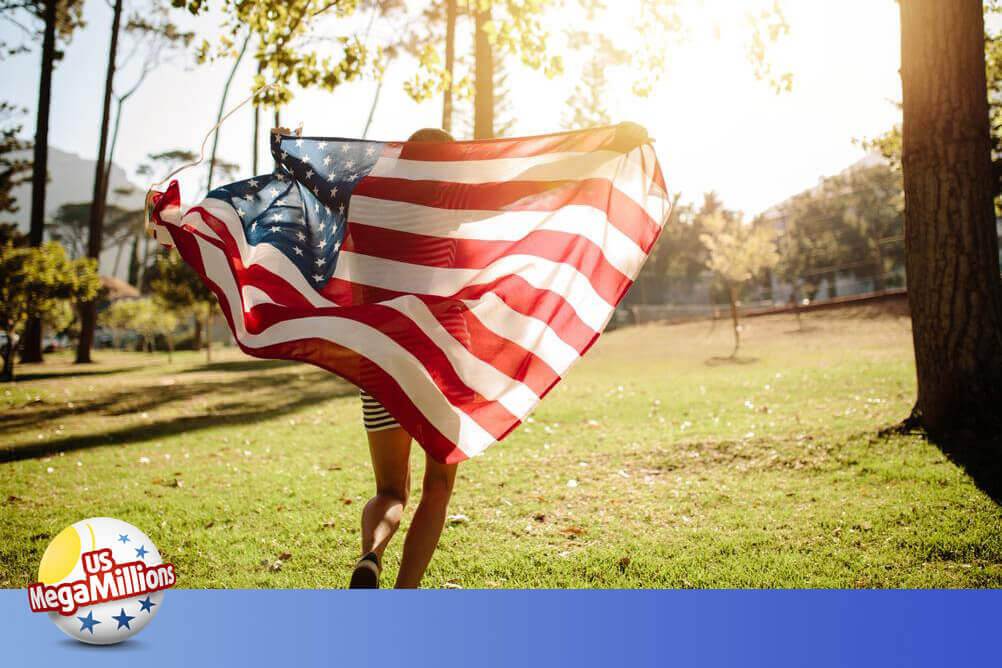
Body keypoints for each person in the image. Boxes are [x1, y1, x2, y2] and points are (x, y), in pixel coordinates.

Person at [350, 127, 458, 589]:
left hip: (380, 359)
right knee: (437, 487)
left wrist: (290, 153)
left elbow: (305, 203)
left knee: (390, 490)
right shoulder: (456, 209)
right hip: (442, 360)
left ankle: (370, 556)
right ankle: (405, 596)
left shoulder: (364, 204)